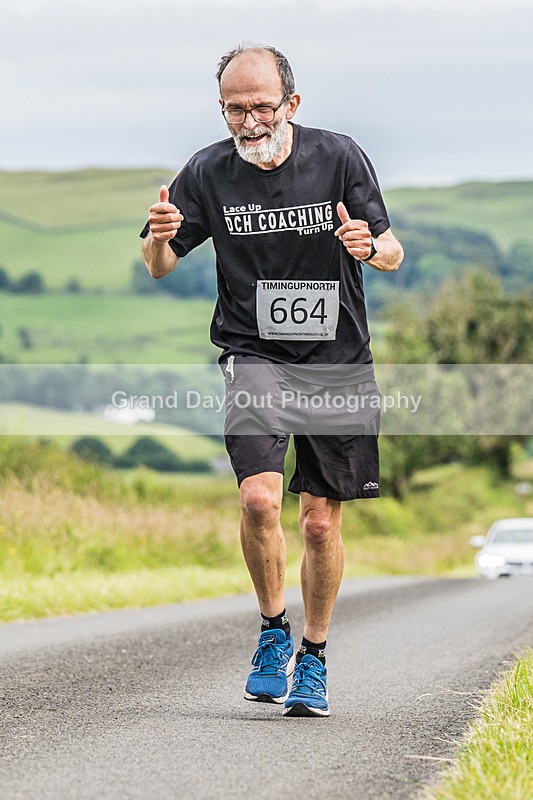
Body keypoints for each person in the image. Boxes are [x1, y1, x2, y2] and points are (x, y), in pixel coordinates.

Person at [140, 43, 403, 717]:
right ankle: (270, 629)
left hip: (336, 359)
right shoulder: (207, 170)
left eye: (261, 105)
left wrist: (367, 248)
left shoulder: (338, 157)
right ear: (221, 108)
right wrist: (158, 237)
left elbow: (392, 251)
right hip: (252, 350)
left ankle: (311, 656)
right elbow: (161, 264)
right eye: (235, 108)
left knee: (318, 522)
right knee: (259, 499)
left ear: (291, 103)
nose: (248, 121)